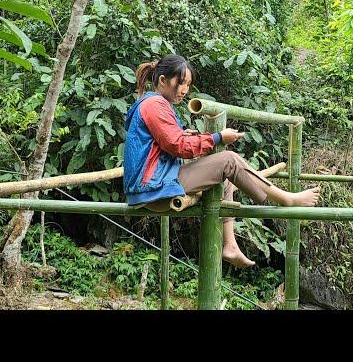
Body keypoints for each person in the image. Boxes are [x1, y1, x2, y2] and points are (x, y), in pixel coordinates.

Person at [123, 54, 321, 267]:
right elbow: (177, 145)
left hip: (152, 185)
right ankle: (286, 199)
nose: (184, 90)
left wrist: (188, 135)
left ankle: (230, 245)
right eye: (181, 83)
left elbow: (162, 142)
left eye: (188, 84)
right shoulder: (155, 104)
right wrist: (218, 137)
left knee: (224, 179)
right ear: (163, 80)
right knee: (229, 159)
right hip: (153, 188)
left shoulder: (152, 103)